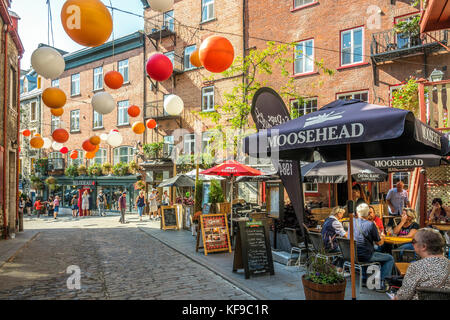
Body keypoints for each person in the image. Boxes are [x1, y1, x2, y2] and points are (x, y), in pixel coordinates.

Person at [395, 228, 450, 300]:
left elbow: (403, 296)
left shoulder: (416, 267)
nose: (412, 243)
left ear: (424, 246)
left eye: (413, 241)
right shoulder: (447, 264)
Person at [350, 203, 394, 292]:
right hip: (365, 256)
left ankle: (364, 278)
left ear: (357, 213)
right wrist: (383, 236)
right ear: (368, 214)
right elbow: (379, 243)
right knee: (390, 258)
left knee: (366, 249)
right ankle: (382, 283)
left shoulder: (352, 222)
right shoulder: (370, 224)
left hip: (352, 255)